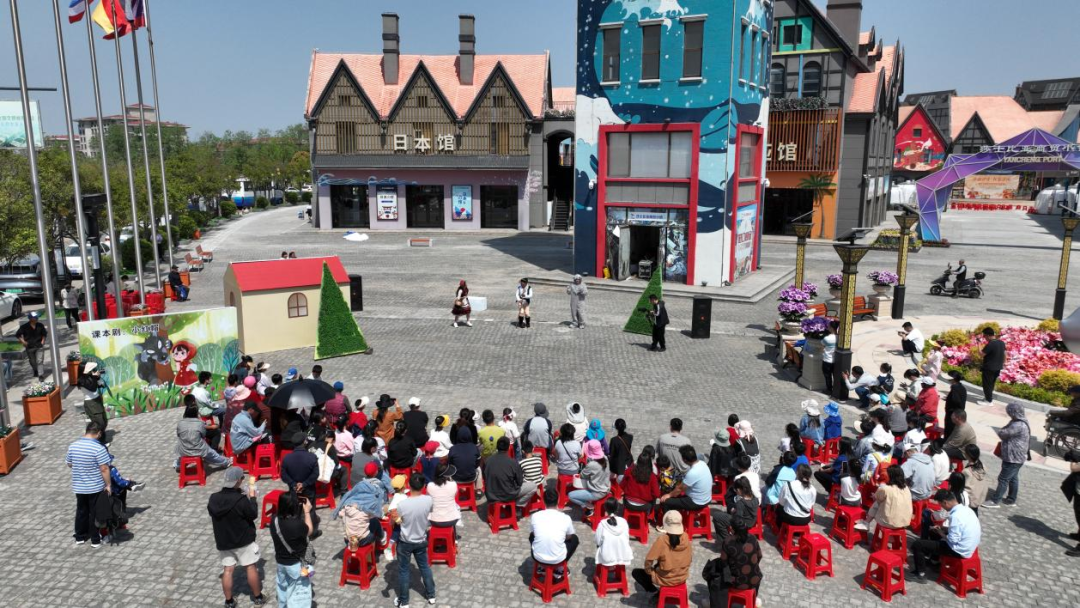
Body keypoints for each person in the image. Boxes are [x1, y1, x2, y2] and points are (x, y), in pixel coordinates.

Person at [208, 467, 265, 607]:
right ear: (238, 480)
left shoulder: (213, 498)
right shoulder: (241, 500)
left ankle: (229, 601)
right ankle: (258, 597)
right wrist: (252, 498)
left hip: (224, 540)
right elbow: (253, 514)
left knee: (228, 570)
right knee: (250, 567)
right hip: (243, 540)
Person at [910, 489, 981, 582]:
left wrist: (941, 532)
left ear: (945, 502)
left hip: (958, 550)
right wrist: (943, 529)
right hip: (969, 547)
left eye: (941, 505)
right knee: (933, 532)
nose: (942, 507)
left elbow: (952, 540)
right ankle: (934, 561)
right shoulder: (967, 510)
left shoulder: (955, 516)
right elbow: (960, 529)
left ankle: (920, 574)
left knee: (918, 544)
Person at [395, 473, 437, 606]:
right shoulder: (429, 500)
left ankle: (404, 601)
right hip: (421, 539)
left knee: (404, 571)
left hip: (405, 541)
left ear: (409, 485)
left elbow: (396, 521)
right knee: (424, 567)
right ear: (423, 486)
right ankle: (431, 595)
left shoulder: (402, 504)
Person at [67, 422, 111, 547]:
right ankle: (95, 540)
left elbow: (69, 463)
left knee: (81, 511)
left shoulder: (73, 446)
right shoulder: (99, 448)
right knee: (94, 512)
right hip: (95, 487)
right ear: (99, 433)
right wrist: (108, 485)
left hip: (79, 486)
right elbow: (104, 469)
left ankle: (80, 537)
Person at [703, 520, 762, 607]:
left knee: (714, 571)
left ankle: (714, 601)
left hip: (737, 582)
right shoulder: (753, 538)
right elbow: (759, 556)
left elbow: (723, 562)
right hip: (755, 579)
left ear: (732, 529)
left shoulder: (728, 541)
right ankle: (754, 598)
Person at [268, 492, 313, 606]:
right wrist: (307, 512)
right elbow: (309, 531)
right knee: (298, 595)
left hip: (281, 562)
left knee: (282, 588)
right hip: (296, 565)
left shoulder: (274, 520)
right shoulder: (297, 524)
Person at [632, 510, 692, 595]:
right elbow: (690, 558)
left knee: (636, 573)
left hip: (666, 579)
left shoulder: (662, 540)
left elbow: (649, 560)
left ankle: (655, 591)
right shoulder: (686, 537)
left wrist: (650, 572)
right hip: (682, 577)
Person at [984, 402, 1031, 508]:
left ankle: (995, 501)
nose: (1008, 414)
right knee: (1013, 478)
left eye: (1009, 412)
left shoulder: (1017, 425)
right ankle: (1011, 499)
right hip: (1017, 457)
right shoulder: (1021, 421)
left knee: (1003, 479)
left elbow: (1002, 433)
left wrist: (1002, 430)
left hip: (1013, 458)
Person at [530, 490, 579, 576]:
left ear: (543, 500)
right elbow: (569, 537)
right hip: (557, 559)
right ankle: (559, 568)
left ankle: (542, 567)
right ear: (558, 500)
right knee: (574, 539)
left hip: (537, 557)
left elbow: (534, 534)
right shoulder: (565, 518)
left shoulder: (535, 516)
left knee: (531, 536)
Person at [176, 399, 232, 469]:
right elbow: (203, 435)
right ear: (196, 413)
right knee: (212, 454)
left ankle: (178, 465)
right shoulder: (199, 423)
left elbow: (178, 435)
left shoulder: (180, 423)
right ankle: (226, 462)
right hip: (198, 449)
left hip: (183, 449)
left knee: (180, 448)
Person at [485, 437, 536, 508]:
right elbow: (520, 482)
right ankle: (517, 505)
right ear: (509, 447)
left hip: (490, 495)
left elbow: (485, 477)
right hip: (507, 495)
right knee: (533, 486)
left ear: (497, 447)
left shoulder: (488, 460)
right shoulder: (513, 462)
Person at [860, 465, 913, 533]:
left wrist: (874, 496)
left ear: (890, 476)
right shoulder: (906, 488)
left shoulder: (885, 489)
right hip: (904, 522)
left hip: (888, 522)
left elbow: (877, 499)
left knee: (876, 504)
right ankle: (891, 536)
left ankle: (866, 523)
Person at [659, 445, 711, 514]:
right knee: (676, 496)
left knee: (666, 501)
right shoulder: (703, 463)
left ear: (685, 460)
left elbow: (680, 489)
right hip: (706, 498)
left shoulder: (693, 472)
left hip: (697, 502)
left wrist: (668, 495)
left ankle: (668, 519)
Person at [567, 440, 610, 513]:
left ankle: (589, 506)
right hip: (606, 488)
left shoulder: (592, 464)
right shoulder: (606, 459)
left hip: (596, 493)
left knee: (570, 495)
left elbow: (582, 475)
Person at [712, 476, 759, 541]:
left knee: (716, 516)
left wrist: (733, 528)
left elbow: (738, 520)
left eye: (736, 490)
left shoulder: (740, 503)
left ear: (739, 490)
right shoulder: (755, 499)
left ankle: (725, 540)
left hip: (743, 523)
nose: (736, 492)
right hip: (751, 522)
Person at [594, 497, 632, 573]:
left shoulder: (602, 523)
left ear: (605, 508)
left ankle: (609, 565)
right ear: (617, 508)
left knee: (600, 545)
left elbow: (597, 541)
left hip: (607, 557)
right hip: (623, 555)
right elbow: (627, 538)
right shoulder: (624, 521)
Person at [427, 462, 461, 531]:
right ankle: (454, 534)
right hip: (452, 520)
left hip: (434, 520)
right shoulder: (453, 484)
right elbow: (454, 495)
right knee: (456, 506)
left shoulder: (430, 485)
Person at [16, 311, 48, 381]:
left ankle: (40, 375)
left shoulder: (40, 325)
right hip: (29, 347)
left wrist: (42, 341)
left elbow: (44, 334)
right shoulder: (24, 327)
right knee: (32, 361)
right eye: (35, 317)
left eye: (37, 317)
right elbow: (18, 335)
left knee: (39, 361)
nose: (36, 318)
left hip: (39, 346)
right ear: (30, 318)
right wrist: (23, 341)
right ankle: (35, 370)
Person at [979, 327, 1007, 405]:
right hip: (998, 367)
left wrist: (979, 344)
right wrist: (1004, 363)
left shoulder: (990, 344)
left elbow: (981, 354)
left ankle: (988, 401)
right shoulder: (1001, 342)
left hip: (989, 368)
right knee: (991, 384)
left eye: (984, 336)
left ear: (988, 335)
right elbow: (1005, 353)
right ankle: (988, 398)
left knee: (987, 384)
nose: (984, 338)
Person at [961, 444, 989, 513]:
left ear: (968, 455)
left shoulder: (967, 471)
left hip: (969, 500)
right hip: (979, 497)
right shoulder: (982, 466)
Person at [943, 370, 967, 437]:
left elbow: (956, 401)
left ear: (953, 379)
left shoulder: (954, 387)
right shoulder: (961, 387)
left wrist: (950, 401)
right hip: (958, 413)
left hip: (953, 414)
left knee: (949, 432)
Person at [822, 319, 838, 394]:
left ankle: (829, 390)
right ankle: (835, 389)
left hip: (827, 360)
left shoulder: (827, 338)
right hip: (836, 360)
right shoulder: (839, 338)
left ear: (831, 328)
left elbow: (822, 346)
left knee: (827, 376)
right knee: (835, 375)